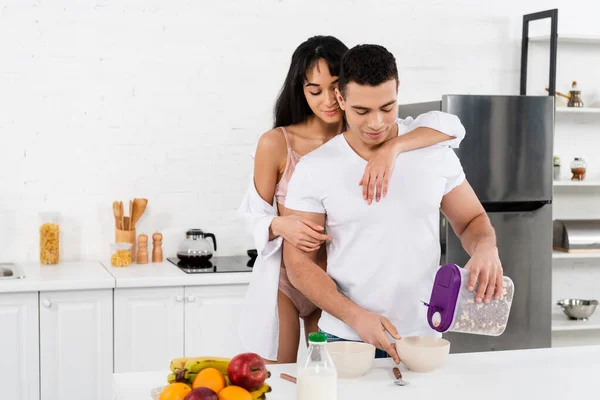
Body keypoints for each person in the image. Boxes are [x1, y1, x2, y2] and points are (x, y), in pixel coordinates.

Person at [238, 36, 467, 364]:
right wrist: (278, 223)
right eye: (314, 90)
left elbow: (451, 128)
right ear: (300, 90)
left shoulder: (367, 131)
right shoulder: (278, 144)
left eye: (334, 87)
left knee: (327, 367)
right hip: (292, 276)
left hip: (338, 282)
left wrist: (392, 147)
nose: (328, 99)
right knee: (284, 374)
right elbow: (251, 214)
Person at [282, 44, 503, 364]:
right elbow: (299, 265)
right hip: (346, 340)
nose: (376, 123)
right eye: (361, 111)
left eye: (387, 107)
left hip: (422, 339)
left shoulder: (433, 150)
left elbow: (470, 220)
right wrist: (356, 316)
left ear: (398, 91)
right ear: (340, 100)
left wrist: (485, 247)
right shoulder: (316, 168)